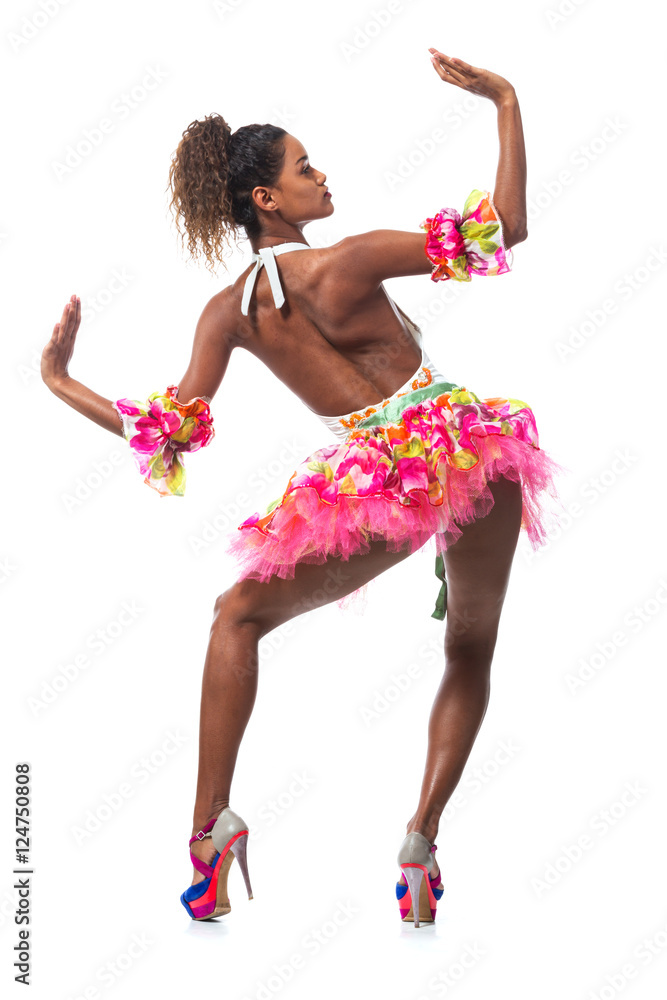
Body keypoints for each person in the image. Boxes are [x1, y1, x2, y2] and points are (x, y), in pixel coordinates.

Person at [41, 48, 565, 927]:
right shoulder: (353, 259)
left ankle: (209, 831)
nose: (322, 176)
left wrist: (60, 382)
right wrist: (505, 99)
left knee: (236, 617)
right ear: (266, 199)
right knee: (469, 649)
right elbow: (503, 227)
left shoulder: (226, 314)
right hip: (472, 453)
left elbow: (168, 433)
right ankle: (420, 843)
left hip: (376, 484)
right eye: (304, 166)